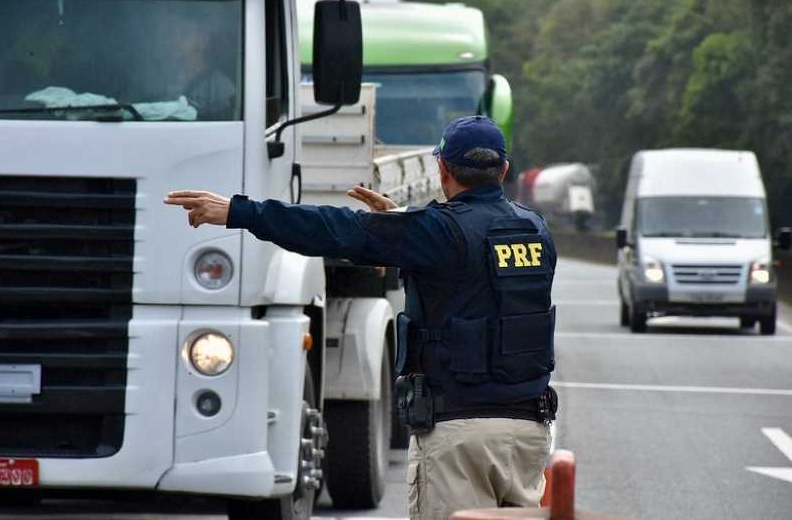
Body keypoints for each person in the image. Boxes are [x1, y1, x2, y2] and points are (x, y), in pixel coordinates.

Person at [164, 115, 557, 520]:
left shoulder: (438, 233)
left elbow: (334, 229)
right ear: (504, 169)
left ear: (442, 168)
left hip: (459, 433)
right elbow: (477, 264)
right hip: (528, 432)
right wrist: (403, 222)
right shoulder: (536, 231)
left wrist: (237, 211)